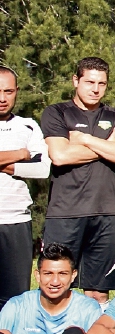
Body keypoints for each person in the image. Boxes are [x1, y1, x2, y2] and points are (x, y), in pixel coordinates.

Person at [40, 57, 115, 302]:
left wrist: (85, 140)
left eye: (102, 83)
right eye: (90, 82)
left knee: (98, 291)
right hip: (64, 214)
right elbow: (60, 156)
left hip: (105, 214)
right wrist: (108, 148)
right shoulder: (57, 112)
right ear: (76, 80)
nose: (95, 89)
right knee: (57, 287)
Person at [0, 67, 49, 310]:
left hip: (16, 221)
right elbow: (29, 159)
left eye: (8, 91)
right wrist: (20, 154)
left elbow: (42, 169)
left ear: (17, 92)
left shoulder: (28, 127)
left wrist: (8, 167)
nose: (2, 98)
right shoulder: (22, 143)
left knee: (14, 301)